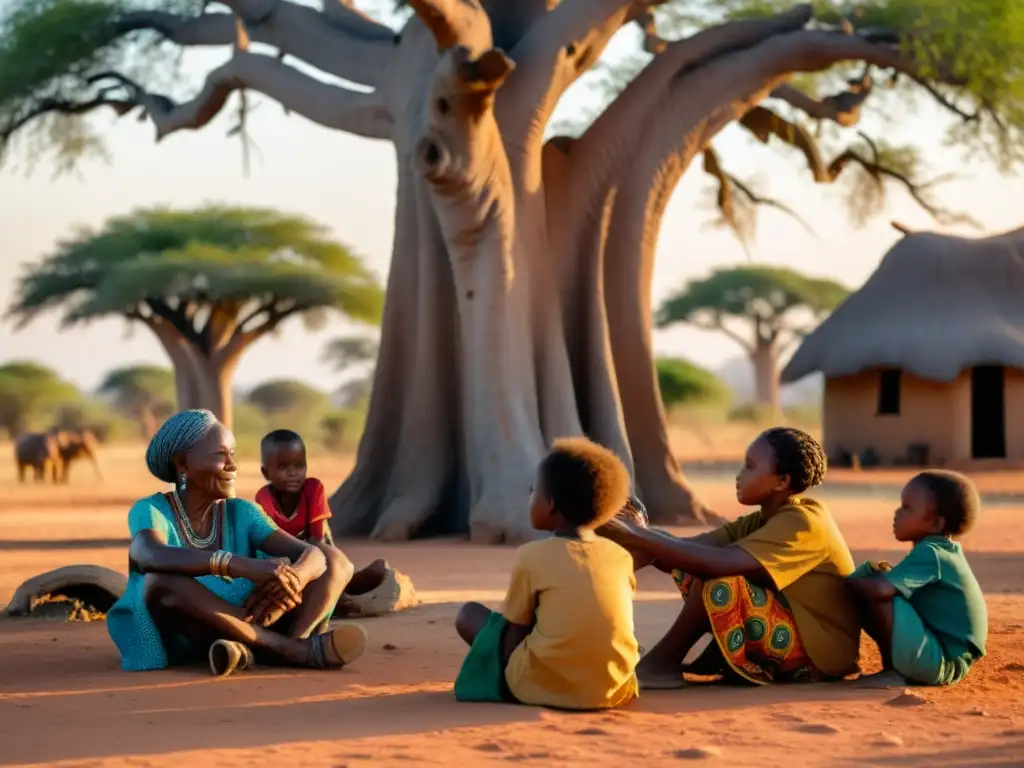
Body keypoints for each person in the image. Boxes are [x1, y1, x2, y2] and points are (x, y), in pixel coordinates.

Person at [106, 409, 368, 676]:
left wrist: (296, 578)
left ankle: (278, 644)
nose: (232, 465)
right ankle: (295, 651)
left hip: (257, 617)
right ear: (182, 464)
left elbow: (313, 554)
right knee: (160, 582)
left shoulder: (241, 512)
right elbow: (148, 554)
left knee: (333, 559)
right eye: (221, 455)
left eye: (233, 454)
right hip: (185, 631)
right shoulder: (153, 509)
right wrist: (237, 565)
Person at [599, 427, 859, 689]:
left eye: (750, 467)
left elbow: (717, 563)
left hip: (820, 655)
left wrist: (637, 533)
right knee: (685, 559)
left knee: (715, 575)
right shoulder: (761, 521)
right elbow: (685, 548)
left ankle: (661, 665)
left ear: (782, 482)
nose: (739, 476)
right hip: (791, 637)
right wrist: (633, 538)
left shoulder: (804, 521)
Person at [453, 438, 640, 710]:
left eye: (534, 492)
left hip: (543, 686)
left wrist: (503, 676)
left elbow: (513, 635)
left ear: (550, 503)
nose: (530, 498)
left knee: (469, 615)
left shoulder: (532, 556)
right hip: (612, 689)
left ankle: (524, 683)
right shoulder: (620, 556)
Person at [848, 470, 987, 687]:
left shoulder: (932, 552)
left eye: (907, 508)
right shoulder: (939, 551)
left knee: (876, 589)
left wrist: (838, 585)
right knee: (875, 577)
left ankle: (894, 671)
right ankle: (894, 668)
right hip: (941, 656)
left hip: (941, 662)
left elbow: (881, 591)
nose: (897, 513)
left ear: (936, 524)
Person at [254, 428, 405, 617]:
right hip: (285, 555)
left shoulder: (313, 489)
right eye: (283, 467)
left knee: (327, 561)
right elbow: (270, 540)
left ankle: (349, 588)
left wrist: (307, 564)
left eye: (299, 465)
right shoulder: (264, 497)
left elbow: (318, 538)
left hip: (316, 552)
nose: (293, 473)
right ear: (266, 473)